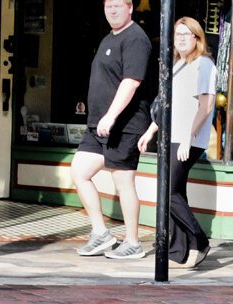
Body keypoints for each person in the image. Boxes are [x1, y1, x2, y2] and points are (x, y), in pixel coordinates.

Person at [74, 0, 155, 259]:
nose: (112, 10)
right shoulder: (109, 38)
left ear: (130, 8)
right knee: (79, 172)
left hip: (125, 126)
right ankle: (101, 234)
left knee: (123, 182)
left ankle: (133, 242)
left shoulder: (136, 39)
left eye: (118, 6)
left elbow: (131, 82)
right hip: (98, 127)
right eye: (108, 6)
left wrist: (111, 116)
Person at [139, 17, 216, 268]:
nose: (181, 38)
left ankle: (199, 240)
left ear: (197, 38)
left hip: (188, 139)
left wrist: (188, 138)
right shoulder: (177, 65)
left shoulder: (203, 64)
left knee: (168, 190)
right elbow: (166, 107)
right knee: (175, 190)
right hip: (171, 136)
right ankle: (180, 249)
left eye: (187, 34)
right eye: (177, 34)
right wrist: (150, 131)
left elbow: (206, 107)